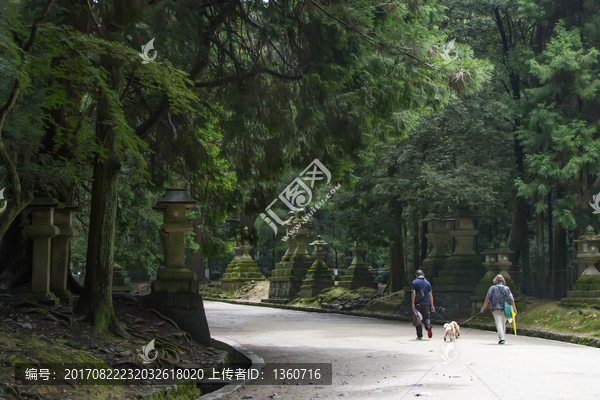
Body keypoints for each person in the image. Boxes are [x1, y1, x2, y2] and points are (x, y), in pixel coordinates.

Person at [480, 274, 517, 344]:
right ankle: (502, 338)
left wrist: (483, 308)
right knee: (503, 323)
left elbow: (487, 299)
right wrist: (514, 308)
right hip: (505, 308)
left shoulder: (492, 288)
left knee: (499, 323)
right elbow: (512, 299)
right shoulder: (507, 288)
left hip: (495, 308)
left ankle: (502, 338)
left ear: (495, 280)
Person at [411, 269, 435, 339]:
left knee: (418, 318)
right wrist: (432, 305)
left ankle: (419, 335)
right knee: (427, 317)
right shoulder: (428, 283)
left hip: (418, 304)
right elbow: (430, 295)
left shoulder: (414, 282)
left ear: (416, 275)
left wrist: (413, 304)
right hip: (426, 304)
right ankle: (428, 327)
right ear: (423, 275)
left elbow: (413, 293)